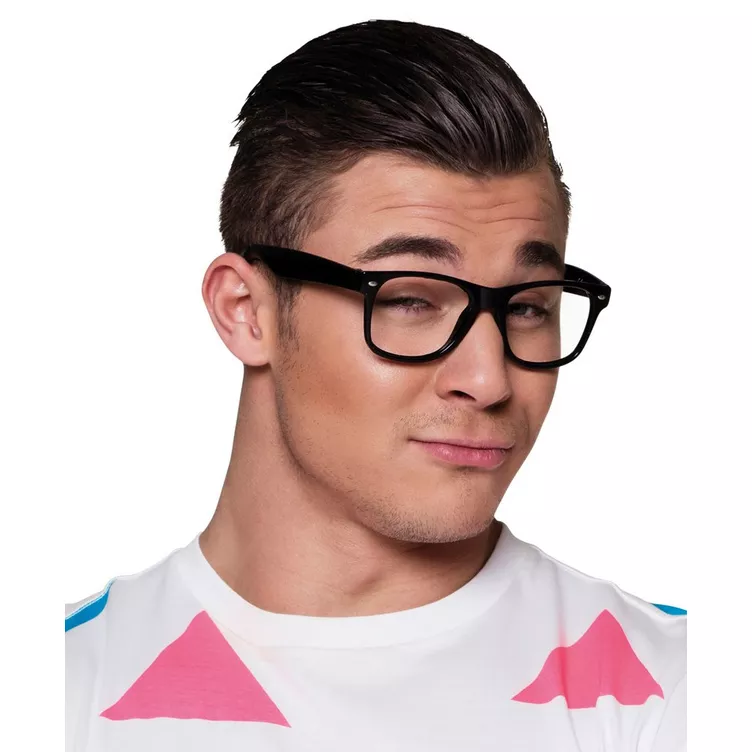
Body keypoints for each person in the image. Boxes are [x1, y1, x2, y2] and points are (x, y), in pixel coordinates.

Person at [65, 18, 686, 752]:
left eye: (526, 307)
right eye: (411, 300)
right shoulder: (61, 683)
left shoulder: (680, 686)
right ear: (246, 312)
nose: (488, 379)